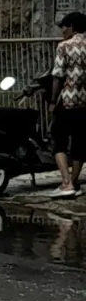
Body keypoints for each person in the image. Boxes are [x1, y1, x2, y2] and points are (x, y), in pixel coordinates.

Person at [50, 12, 86, 197]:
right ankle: (74, 182)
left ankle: (66, 183)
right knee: (80, 141)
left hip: (68, 100)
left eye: (64, 26)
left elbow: (57, 76)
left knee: (58, 138)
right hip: (84, 102)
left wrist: (52, 100)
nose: (62, 30)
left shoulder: (64, 47)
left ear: (72, 26)